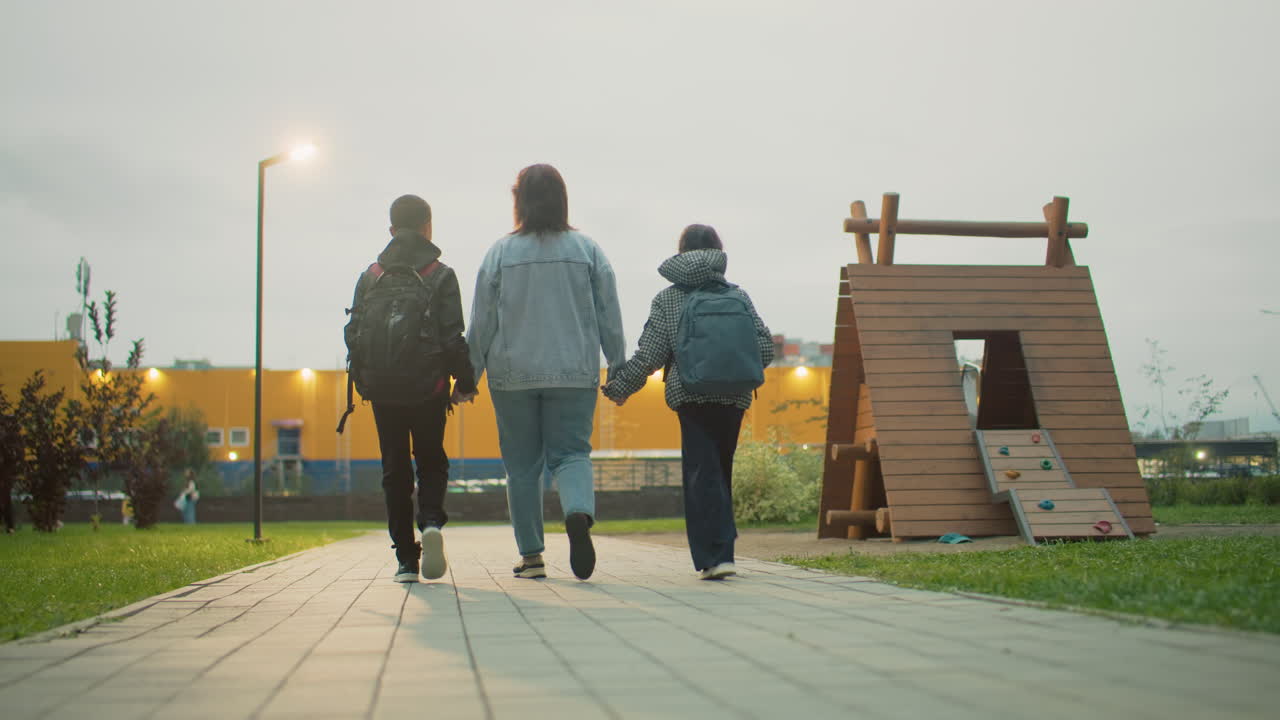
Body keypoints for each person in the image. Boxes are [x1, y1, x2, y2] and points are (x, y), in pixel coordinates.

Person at [464, 164, 626, 581]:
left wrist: (469, 375)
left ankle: (532, 556)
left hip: (512, 375)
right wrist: (618, 365)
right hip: (573, 372)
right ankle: (576, 513)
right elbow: (609, 313)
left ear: (519, 201)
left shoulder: (500, 253)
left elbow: (482, 322)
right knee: (572, 454)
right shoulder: (588, 249)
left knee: (521, 468)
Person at [602, 224, 773, 580]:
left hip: (691, 396)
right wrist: (733, 368)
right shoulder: (738, 296)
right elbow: (766, 348)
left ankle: (717, 555)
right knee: (718, 471)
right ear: (718, 251)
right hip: (734, 397)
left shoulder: (667, 299)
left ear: (680, 253)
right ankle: (723, 550)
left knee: (701, 472)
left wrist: (620, 388)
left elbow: (650, 354)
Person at [344, 194, 477, 583]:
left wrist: (367, 378)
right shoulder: (440, 274)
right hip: (429, 387)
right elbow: (453, 337)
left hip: (383, 391)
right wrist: (465, 382)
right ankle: (431, 523)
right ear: (428, 227)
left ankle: (405, 559)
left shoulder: (370, 276)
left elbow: (354, 335)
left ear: (391, 229)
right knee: (431, 460)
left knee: (394, 469)